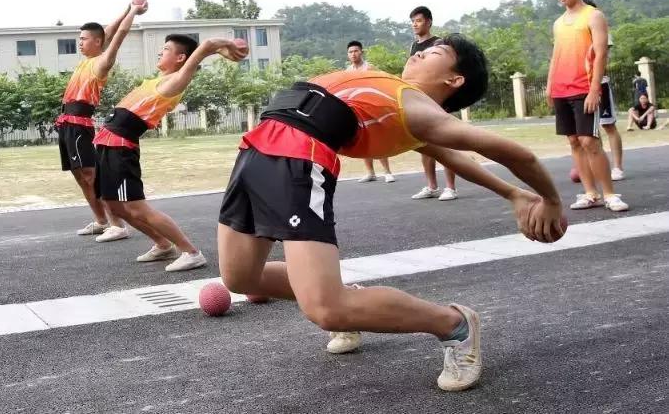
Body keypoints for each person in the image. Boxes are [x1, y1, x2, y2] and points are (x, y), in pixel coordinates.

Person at [217, 34, 566, 392]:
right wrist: (510, 193)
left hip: (298, 159)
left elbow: (516, 153)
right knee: (240, 277)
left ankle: (453, 324)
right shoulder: (399, 98)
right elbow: (454, 156)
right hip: (255, 151)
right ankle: (346, 299)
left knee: (326, 310)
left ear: (454, 79)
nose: (418, 53)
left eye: (434, 52)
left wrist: (550, 200)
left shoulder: (421, 112)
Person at [93, 35, 248, 272]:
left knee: (136, 208)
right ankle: (163, 244)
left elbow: (205, 46)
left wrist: (226, 46)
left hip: (121, 146)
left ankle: (191, 252)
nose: (160, 52)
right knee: (113, 205)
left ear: (180, 58)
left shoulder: (175, 81)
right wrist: (222, 51)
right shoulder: (158, 79)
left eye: (166, 49)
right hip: (107, 143)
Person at [55, 0, 146, 243]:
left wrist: (134, 13)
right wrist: (127, 9)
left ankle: (117, 224)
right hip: (65, 123)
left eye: (84, 38)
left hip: (79, 122)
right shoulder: (85, 61)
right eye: (80, 38)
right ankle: (101, 221)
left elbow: (118, 33)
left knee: (92, 175)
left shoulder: (100, 63)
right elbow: (108, 29)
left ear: (97, 41)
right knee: (78, 175)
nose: (80, 42)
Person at [546, 0, 628, 212]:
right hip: (561, 89)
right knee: (574, 142)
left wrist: (595, 90)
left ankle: (610, 194)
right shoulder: (558, 23)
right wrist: (550, 86)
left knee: (589, 141)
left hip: (584, 88)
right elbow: (555, 56)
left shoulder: (594, 16)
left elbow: (601, 53)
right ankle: (590, 193)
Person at [408, 6, 457, 201]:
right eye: (412, 21)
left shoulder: (438, 44)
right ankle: (431, 186)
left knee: (445, 143)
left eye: (418, 21)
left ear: (428, 22)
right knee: (425, 144)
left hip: (438, 102)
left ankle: (451, 188)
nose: (414, 24)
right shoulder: (413, 46)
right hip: (421, 100)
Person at [583, 0, 625, 181]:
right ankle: (597, 166)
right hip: (579, 86)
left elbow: (601, 55)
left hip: (600, 84)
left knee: (608, 125)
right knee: (586, 132)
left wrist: (596, 83)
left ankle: (617, 167)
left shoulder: (599, 27)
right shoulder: (570, 30)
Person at [350, 40, 396, 184]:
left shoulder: (369, 68)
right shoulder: (347, 72)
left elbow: (380, 84)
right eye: (350, 52)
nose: (353, 54)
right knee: (362, 140)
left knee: (377, 139)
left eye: (356, 51)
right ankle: (370, 173)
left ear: (361, 52)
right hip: (357, 110)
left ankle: (387, 172)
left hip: (371, 108)